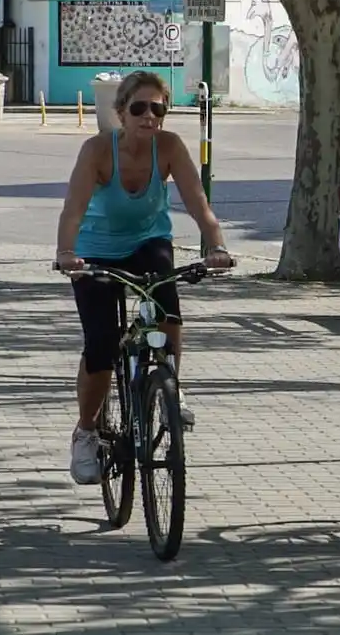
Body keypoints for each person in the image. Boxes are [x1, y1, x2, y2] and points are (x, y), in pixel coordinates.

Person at [55, 70, 234, 486]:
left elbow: (198, 201)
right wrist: (66, 254)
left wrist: (216, 246)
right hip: (95, 250)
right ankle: (86, 432)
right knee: (101, 345)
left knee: (167, 304)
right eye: (139, 108)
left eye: (158, 108)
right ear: (121, 112)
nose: (149, 116)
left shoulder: (169, 147)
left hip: (148, 241)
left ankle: (170, 384)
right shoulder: (98, 150)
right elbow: (73, 209)